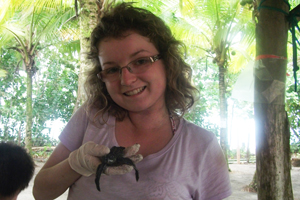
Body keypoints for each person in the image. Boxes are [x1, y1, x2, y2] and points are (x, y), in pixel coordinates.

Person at [33, 2, 232, 200]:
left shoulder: (201, 146)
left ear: (168, 63)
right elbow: (41, 192)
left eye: (140, 61)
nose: (126, 80)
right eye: (111, 69)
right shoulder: (92, 116)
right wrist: (74, 164)